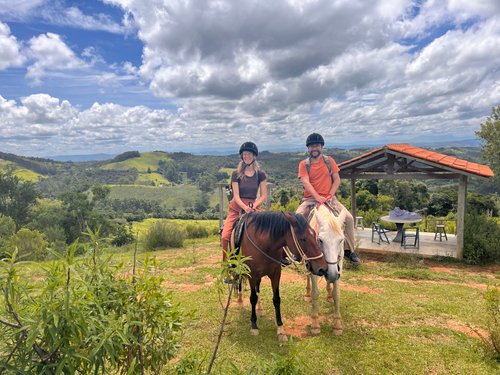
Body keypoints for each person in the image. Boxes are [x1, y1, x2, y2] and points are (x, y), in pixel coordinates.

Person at [296, 133, 361, 265]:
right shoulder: (304, 164)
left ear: (321, 147)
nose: (314, 148)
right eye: (312, 146)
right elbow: (306, 182)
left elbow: (336, 179)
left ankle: (349, 250)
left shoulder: (329, 161)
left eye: (317, 146)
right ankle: (298, 250)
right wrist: (317, 197)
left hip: (330, 198)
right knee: (298, 217)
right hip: (310, 199)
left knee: (348, 218)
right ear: (308, 148)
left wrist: (329, 195)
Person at [220, 141, 267, 261]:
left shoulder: (260, 175)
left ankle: (277, 256)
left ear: (254, 156)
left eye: (249, 154)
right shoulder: (236, 174)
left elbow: (263, 195)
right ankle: (227, 266)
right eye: (245, 154)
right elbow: (236, 196)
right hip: (237, 207)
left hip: (253, 206)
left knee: (270, 228)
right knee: (225, 236)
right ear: (242, 156)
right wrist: (245, 207)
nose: (247, 156)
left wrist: (253, 206)